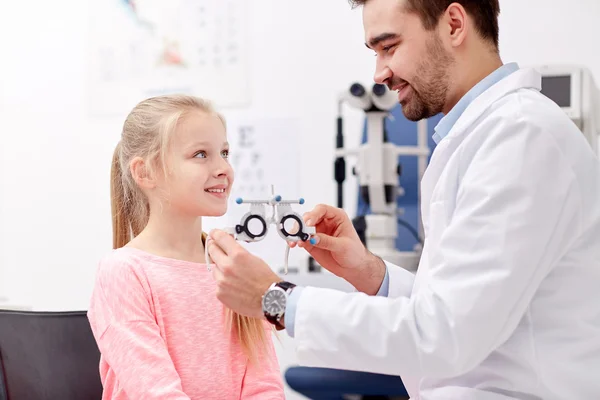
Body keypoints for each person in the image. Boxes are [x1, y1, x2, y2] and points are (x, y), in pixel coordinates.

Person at [205, 0, 600, 399]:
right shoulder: (481, 137)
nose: (379, 74)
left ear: (454, 24)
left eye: (389, 47)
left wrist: (277, 300)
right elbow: (466, 310)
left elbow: (446, 334)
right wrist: (372, 274)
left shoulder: (521, 137)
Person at [87, 94, 285, 400]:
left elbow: (265, 388)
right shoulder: (124, 273)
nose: (223, 168)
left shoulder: (235, 268)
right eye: (201, 155)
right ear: (145, 172)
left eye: (224, 152)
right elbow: (157, 394)